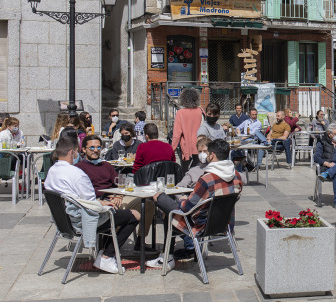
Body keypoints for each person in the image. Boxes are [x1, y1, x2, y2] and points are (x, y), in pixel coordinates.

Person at [46, 137, 140, 274]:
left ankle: (105, 251)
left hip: (63, 220)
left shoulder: (52, 171)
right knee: (134, 215)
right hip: (80, 220)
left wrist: (106, 200)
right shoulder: (77, 173)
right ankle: (106, 256)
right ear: (73, 152)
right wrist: (104, 204)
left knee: (122, 211)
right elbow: (93, 206)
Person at [148, 139, 243, 270]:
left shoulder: (207, 179)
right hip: (223, 224)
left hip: (199, 225)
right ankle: (168, 255)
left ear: (212, 155)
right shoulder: (237, 176)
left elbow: (187, 208)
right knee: (168, 212)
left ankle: (167, 256)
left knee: (161, 199)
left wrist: (181, 199)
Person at [315, 123, 336, 210]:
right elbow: (316, 157)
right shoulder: (322, 142)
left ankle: (327, 174)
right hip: (326, 166)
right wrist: (328, 164)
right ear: (329, 134)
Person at [172, 88, 203, 173]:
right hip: (199, 143)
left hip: (186, 145)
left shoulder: (180, 113)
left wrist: (173, 149)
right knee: (199, 168)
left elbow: (176, 134)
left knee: (185, 170)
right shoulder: (200, 111)